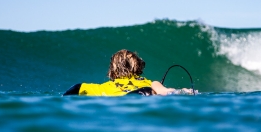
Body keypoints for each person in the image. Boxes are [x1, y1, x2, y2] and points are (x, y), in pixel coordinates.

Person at [63, 49, 195, 96]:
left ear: (112, 70)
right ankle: (168, 91)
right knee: (155, 85)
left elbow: (77, 87)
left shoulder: (102, 87)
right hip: (144, 93)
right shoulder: (145, 81)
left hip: (127, 97)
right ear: (137, 68)